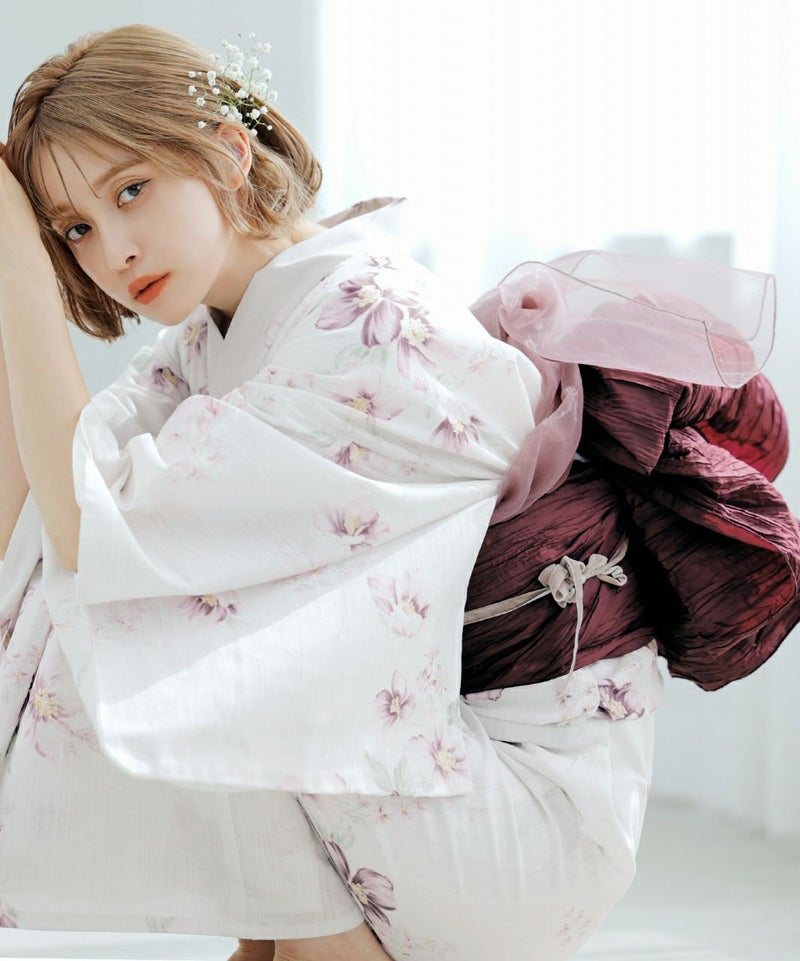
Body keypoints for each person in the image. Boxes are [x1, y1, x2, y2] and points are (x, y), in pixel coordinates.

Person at [0, 24, 797, 961]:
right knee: (134, 609)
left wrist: (20, 271)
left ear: (225, 150)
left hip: (521, 815)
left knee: (174, 636)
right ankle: (286, 943)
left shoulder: (369, 328)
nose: (112, 250)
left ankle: (327, 949)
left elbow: (96, 532)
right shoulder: (212, 341)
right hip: (421, 780)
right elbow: (44, 516)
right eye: (74, 231)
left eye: (131, 190)